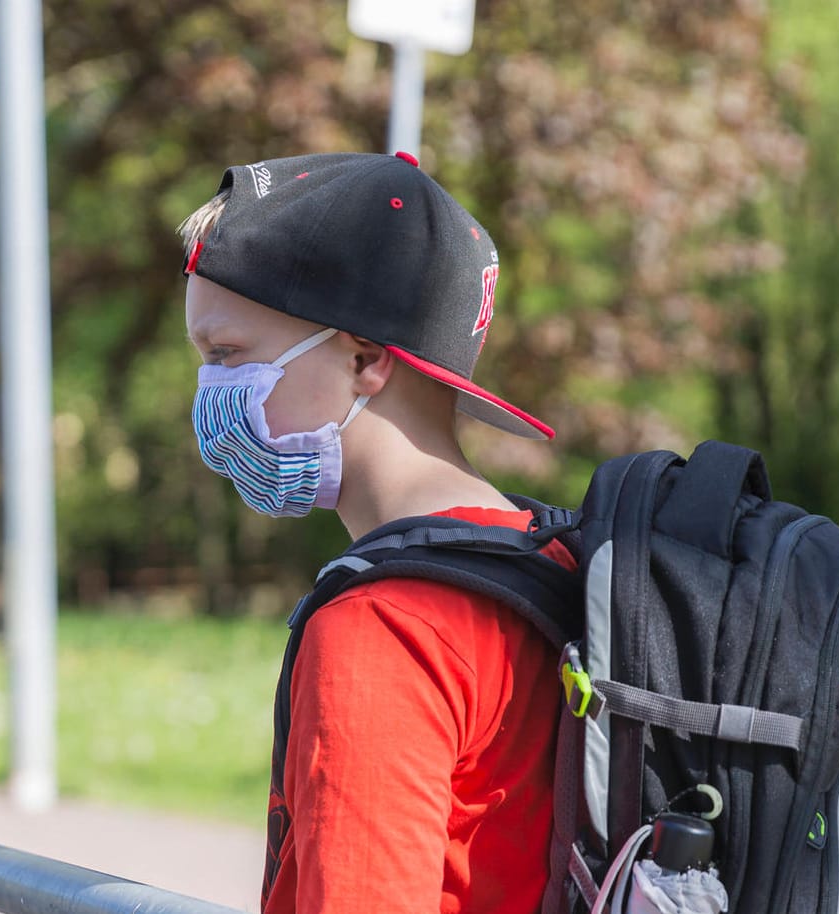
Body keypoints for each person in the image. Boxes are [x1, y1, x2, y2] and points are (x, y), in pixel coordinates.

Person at [178, 151, 574, 914]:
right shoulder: (552, 558)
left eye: (225, 355)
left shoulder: (383, 629)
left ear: (363, 358)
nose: (209, 393)